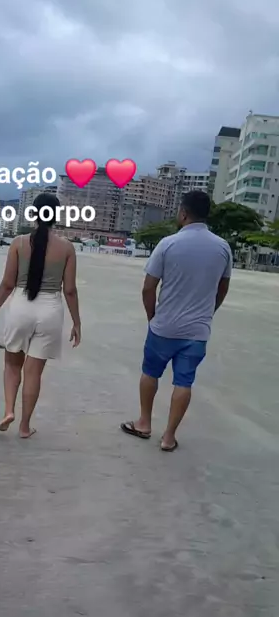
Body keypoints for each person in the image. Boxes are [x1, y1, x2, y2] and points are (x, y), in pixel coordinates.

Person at [121, 190, 232, 451]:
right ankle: (169, 437)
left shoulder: (168, 244)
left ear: (183, 213)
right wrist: (208, 312)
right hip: (197, 331)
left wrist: (152, 317)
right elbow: (223, 288)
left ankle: (144, 423)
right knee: (184, 382)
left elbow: (148, 288)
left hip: (164, 326)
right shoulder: (222, 248)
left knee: (150, 373)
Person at [0, 192, 81, 438]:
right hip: (50, 310)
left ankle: (8, 411)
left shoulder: (19, 243)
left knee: (12, 365)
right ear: (56, 216)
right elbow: (69, 290)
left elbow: (7, 284)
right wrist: (77, 323)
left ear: (33, 213)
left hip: (21, 307)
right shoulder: (67, 248)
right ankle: (25, 427)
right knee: (33, 373)